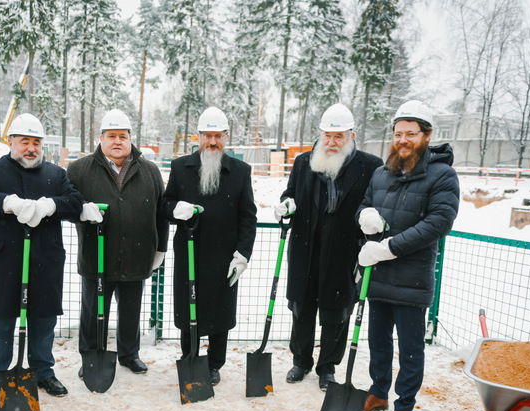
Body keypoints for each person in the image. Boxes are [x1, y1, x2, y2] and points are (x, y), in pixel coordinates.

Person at [0, 113, 82, 406]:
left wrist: (51, 205)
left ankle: (43, 371)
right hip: (4, 260)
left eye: (36, 143)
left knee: (43, 319)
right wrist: (7, 202)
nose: (31, 148)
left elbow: (75, 202)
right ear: (11, 142)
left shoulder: (55, 175)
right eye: (24, 141)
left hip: (46, 259)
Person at [356, 100, 459, 411]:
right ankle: (378, 392)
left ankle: (404, 408)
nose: (402, 140)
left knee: (411, 348)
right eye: (398, 133)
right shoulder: (382, 173)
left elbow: (439, 222)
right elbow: (365, 204)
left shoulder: (442, 175)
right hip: (379, 275)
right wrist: (364, 215)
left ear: (426, 135)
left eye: (410, 134)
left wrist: (389, 247)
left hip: (411, 278)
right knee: (378, 341)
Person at [274, 104, 382, 391]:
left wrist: (371, 219)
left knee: (337, 311)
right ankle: (301, 361)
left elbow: (373, 203)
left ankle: (328, 367)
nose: (332, 142)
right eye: (327, 136)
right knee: (302, 307)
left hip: (344, 250)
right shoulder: (303, 162)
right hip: (305, 248)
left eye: (338, 137)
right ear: (320, 134)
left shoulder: (369, 166)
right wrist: (287, 203)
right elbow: (290, 193)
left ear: (351, 136)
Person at [67, 109, 168, 378]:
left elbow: (161, 213)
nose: (117, 141)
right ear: (100, 138)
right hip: (96, 256)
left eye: (122, 136)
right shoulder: (79, 170)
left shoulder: (149, 171)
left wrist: (161, 248)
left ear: (130, 139)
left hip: (137, 255)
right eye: (111, 136)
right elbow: (67, 204)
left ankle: (129, 354)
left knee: (131, 310)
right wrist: (80, 210)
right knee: (92, 311)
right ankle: (91, 355)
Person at [163, 106, 257, 386]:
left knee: (220, 310)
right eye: (207, 136)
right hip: (189, 252)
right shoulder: (180, 168)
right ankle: (190, 356)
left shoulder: (240, 171)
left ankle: (215, 363)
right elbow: (165, 205)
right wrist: (175, 209)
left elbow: (248, 216)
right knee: (187, 308)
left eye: (218, 136)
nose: (213, 142)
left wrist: (243, 254)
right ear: (198, 136)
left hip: (224, 255)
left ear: (226, 137)